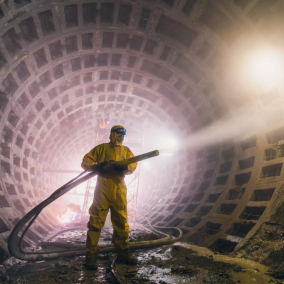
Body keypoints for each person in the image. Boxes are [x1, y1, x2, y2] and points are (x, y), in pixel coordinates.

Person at [81, 125, 138, 270]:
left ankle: (123, 254)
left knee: (121, 224)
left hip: (119, 190)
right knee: (95, 223)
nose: (120, 137)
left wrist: (124, 168)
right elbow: (86, 160)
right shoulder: (101, 148)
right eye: (118, 134)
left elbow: (133, 164)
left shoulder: (126, 151)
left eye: (122, 135)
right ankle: (91, 257)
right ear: (112, 134)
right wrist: (95, 166)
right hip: (103, 189)